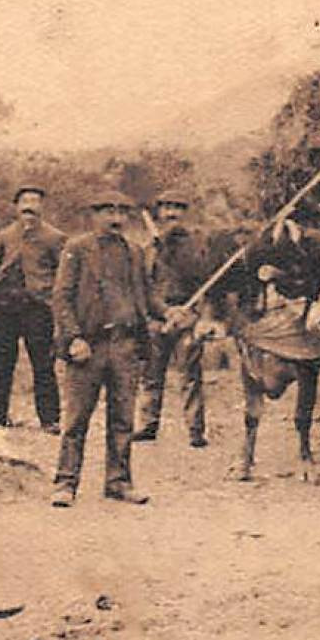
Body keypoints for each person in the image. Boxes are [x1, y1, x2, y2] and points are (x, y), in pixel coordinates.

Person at [50, 190, 190, 507]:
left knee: (123, 420)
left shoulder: (135, 252)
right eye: (108, 212)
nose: (116, 219)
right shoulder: (76, 249)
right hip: (89, 347)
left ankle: (119, 482)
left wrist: (168, 311)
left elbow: (148, 296)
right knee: (76, 420)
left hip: (126, 347)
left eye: (121, 213)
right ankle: (65, 483)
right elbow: (61, 298)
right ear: (94, 215)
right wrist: (74, 338)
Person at [0, 183, 66, 433]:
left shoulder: (54, 237)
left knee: (42, 363)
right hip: (5, 307)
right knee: (3, 360)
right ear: (16, 207)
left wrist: (51, 295)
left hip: (37, 309)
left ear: (42, 207)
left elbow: (65, 274)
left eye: (35, 201)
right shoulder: (6, 235)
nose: (29, 207)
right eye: (24, 202)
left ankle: (50, 419)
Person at [133, 190, 209, 448]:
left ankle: (195, 430)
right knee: (150, 374)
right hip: (156, 320)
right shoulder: (148, 249)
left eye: (178, 208)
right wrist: (159, 313)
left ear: (184, 213)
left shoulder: (196, 246)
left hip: (186, 317)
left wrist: (190, 315)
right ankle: (147, 425)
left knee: (190, 375)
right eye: (167, 208)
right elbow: (143, 286)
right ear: (159, 212)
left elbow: (204, 284)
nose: (172, 213)